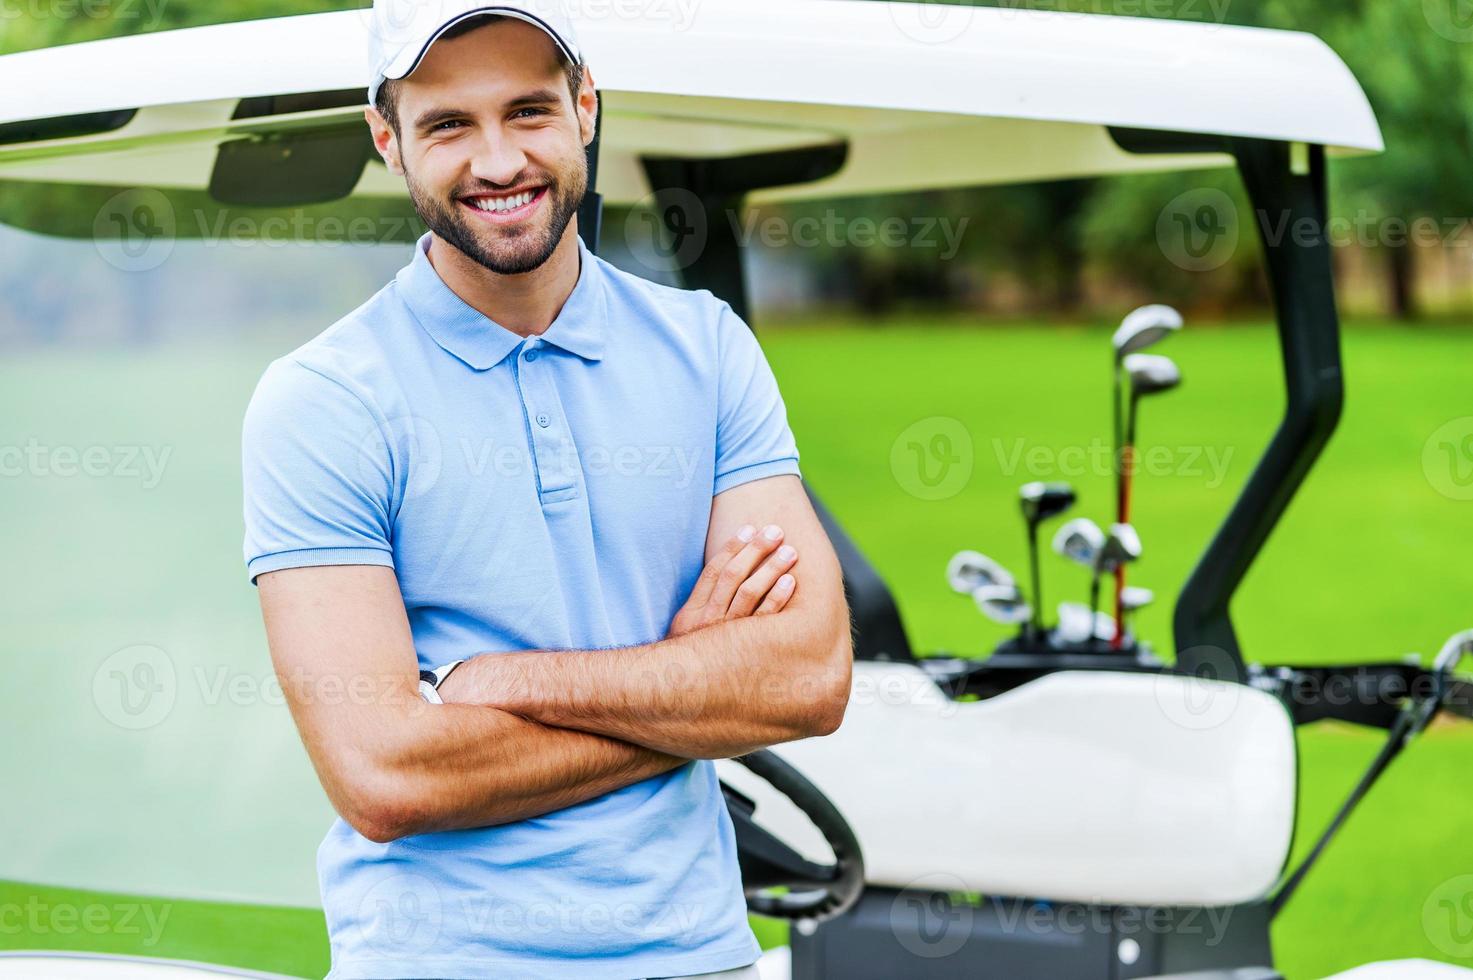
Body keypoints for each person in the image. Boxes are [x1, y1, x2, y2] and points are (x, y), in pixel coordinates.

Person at [240, 2, 853, 977]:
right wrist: (692, 684)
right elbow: (384, 773)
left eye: (528, 111)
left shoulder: (707, 348)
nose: (496, 162)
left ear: (586, 108)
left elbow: (807, 679)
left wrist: (506, 684)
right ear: (387, 141)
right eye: (448, 124)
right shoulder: (322, 401)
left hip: (701, 954)